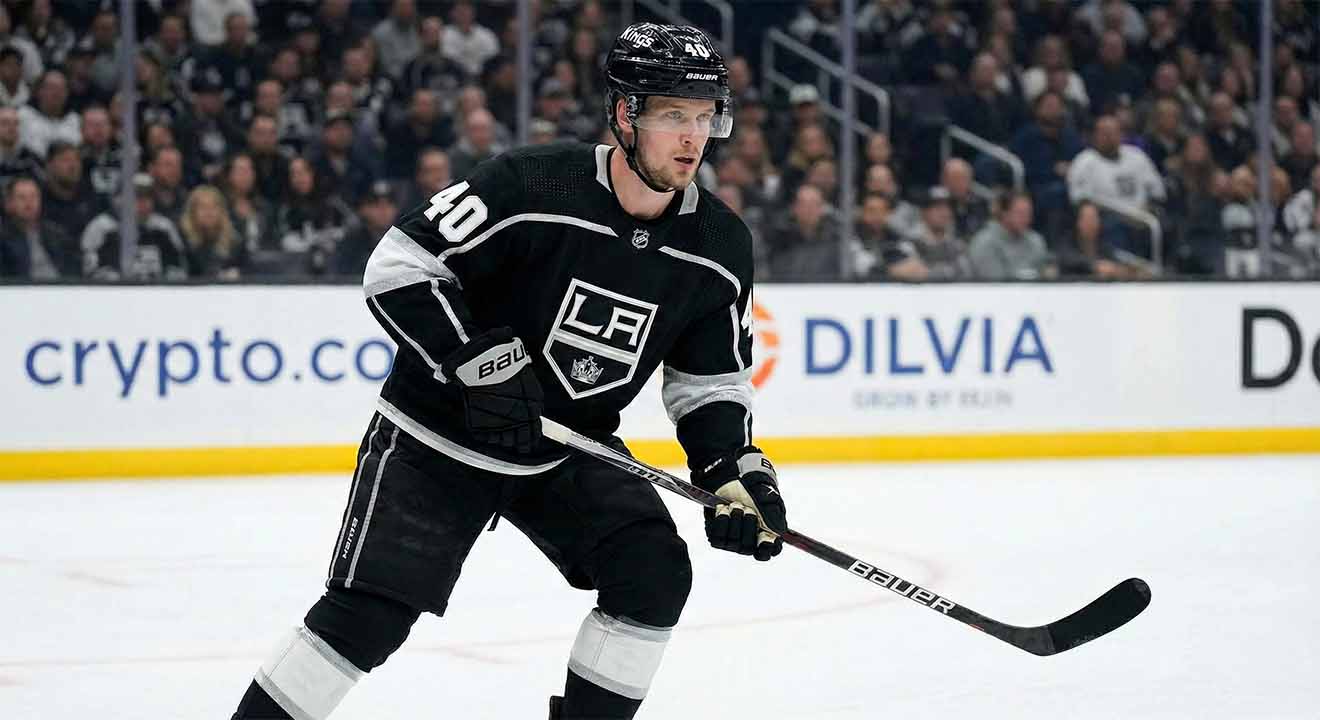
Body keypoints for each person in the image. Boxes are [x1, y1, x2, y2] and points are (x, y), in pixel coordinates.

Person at [231, 23, 786, 720]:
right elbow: (400, 266)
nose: (692, 138)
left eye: (705, 118)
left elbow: (709, 383)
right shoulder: (532, 184)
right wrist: (478, 362)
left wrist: (732, 469)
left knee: (651, 572)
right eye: (673, 114)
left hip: (564, 445)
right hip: (439, 435)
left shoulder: (719, 245)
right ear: (624, 114)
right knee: (368, 615)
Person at [0, 175, 76, 279]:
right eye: (22, 197)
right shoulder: (3, 238)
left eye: (34, 196)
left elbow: (74, 269)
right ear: (8, 204)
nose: (29, 202)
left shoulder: (56, 234)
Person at [180, 184, 246, 279]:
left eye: (214, 207)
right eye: (203, 207)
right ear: (192, 212)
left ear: (222, 211)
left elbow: (248, 269)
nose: (208, 212)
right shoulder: (181, 239)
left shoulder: (235, 241)